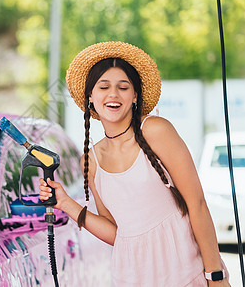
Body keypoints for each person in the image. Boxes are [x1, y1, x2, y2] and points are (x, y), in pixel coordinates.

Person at [39, 41, 230, 286]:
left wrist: (215, 274)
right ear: (91, 96)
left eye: (123, 87)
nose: (113, 95)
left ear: (135, 96)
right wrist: (65, 204)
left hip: (186, 271)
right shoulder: (90, 161)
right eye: (103, 87)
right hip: (133, 277)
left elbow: (198, 204)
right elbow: (118, 233)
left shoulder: (156, 130)